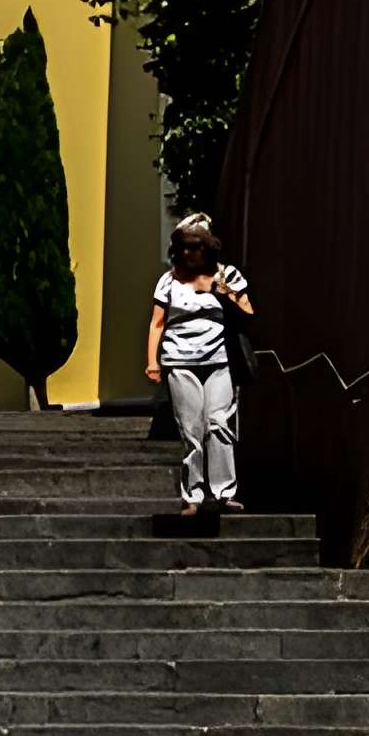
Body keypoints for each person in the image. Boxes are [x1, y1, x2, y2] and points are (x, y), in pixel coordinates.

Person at [145, 214, 253, 513]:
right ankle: (192, 495)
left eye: (196, 246)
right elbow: (157, 323)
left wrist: (219, 290)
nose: (189, 252)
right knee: (191, 429)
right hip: (179, 361)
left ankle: (222, 494)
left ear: (208, 247)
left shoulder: (226, 275)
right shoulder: (168, 281)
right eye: (184, 247)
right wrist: (152, 362)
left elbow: (247, 312)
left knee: (219, 424)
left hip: (219, 361)